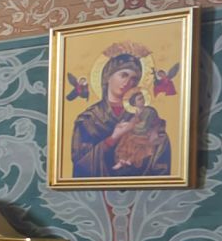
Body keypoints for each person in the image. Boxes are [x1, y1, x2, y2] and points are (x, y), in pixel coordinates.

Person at [69, 51, 173, 179]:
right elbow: (80, 164)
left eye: (134, 79)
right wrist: (113, 138)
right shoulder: (88, 119)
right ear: (108, 77)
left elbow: (161, 146)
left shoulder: (143, 114)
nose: (128, 82)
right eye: (123, 75)